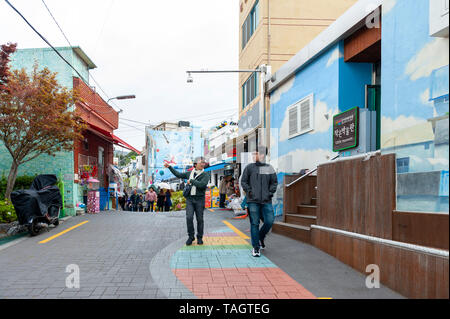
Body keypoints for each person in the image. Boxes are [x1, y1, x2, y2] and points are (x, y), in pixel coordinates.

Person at [241, 145, 278, 257]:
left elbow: (274, 183)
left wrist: (270, 193)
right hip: (253, 201)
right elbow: (244, 181)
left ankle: (260, 237)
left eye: (255, 154)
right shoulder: (249, 168)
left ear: (262, 155)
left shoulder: (269, 168)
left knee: (269, 221)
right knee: (254, 223)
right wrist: (249, 191)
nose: (253, 156)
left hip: (266, 201)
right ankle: (256, 247)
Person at [165, 156, 210, 246]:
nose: (203, 163)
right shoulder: (190, 173)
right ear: (195, 164)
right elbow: (178, 175)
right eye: (201, 162)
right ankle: (191, 236)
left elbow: (202, 185)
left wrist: (192, 181)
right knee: (189, 218)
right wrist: (169, 167)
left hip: (199, 199)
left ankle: (199, 237)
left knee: (200, 219)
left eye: (204, 162)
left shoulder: (205, 175)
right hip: (190, 199)